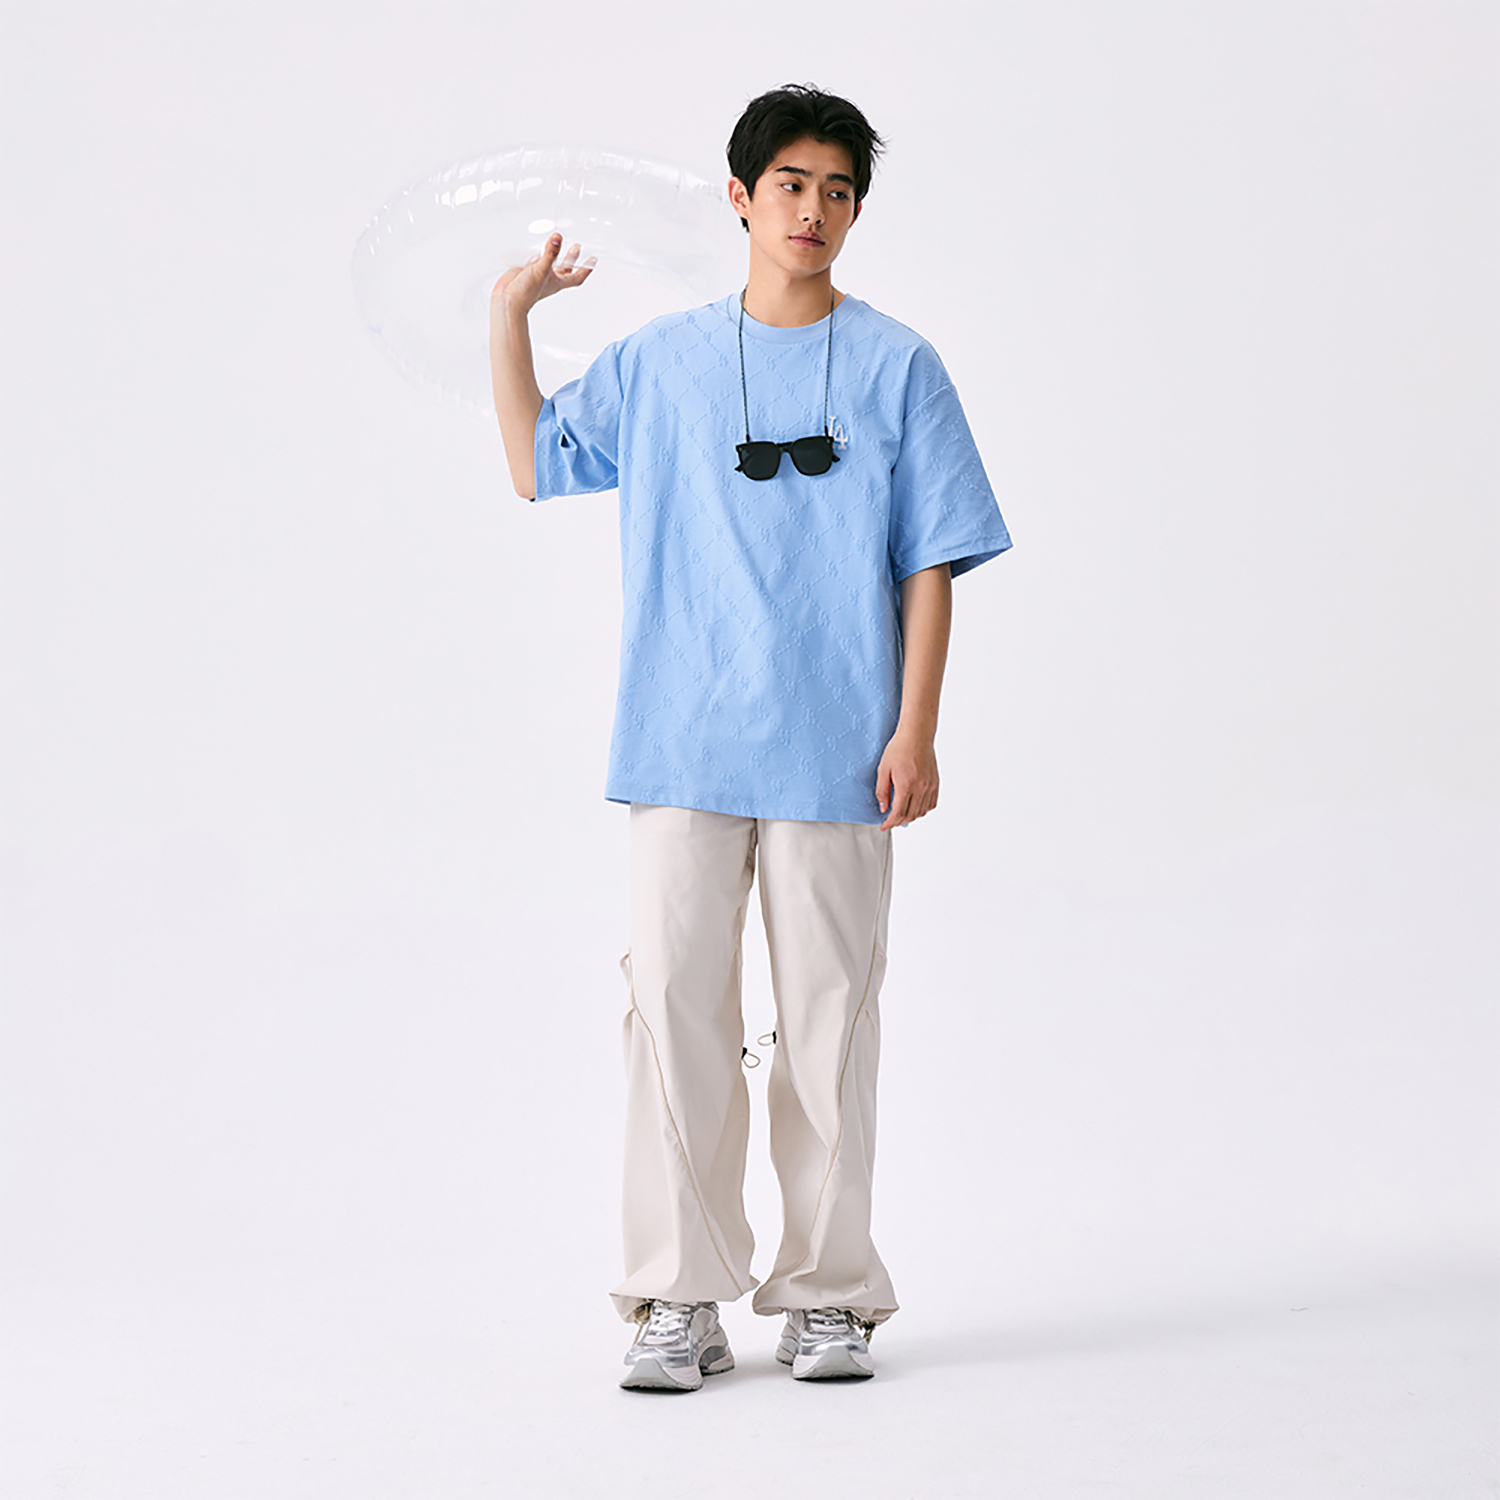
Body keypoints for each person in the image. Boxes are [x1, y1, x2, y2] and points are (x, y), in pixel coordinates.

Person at [489, 84, 1011, 1392]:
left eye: (837, 190)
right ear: (739, 196)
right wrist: (509, 314)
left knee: (830, 1023)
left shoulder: (897, 365)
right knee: (674, 1014)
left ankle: (829, 1296)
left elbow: (932, 560)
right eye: (790, 184)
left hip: (840, 747)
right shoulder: (663, 362)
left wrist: (917, 728)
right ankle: (679, 1295)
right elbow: (537, 460)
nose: (813, 210)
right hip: (682, 741)